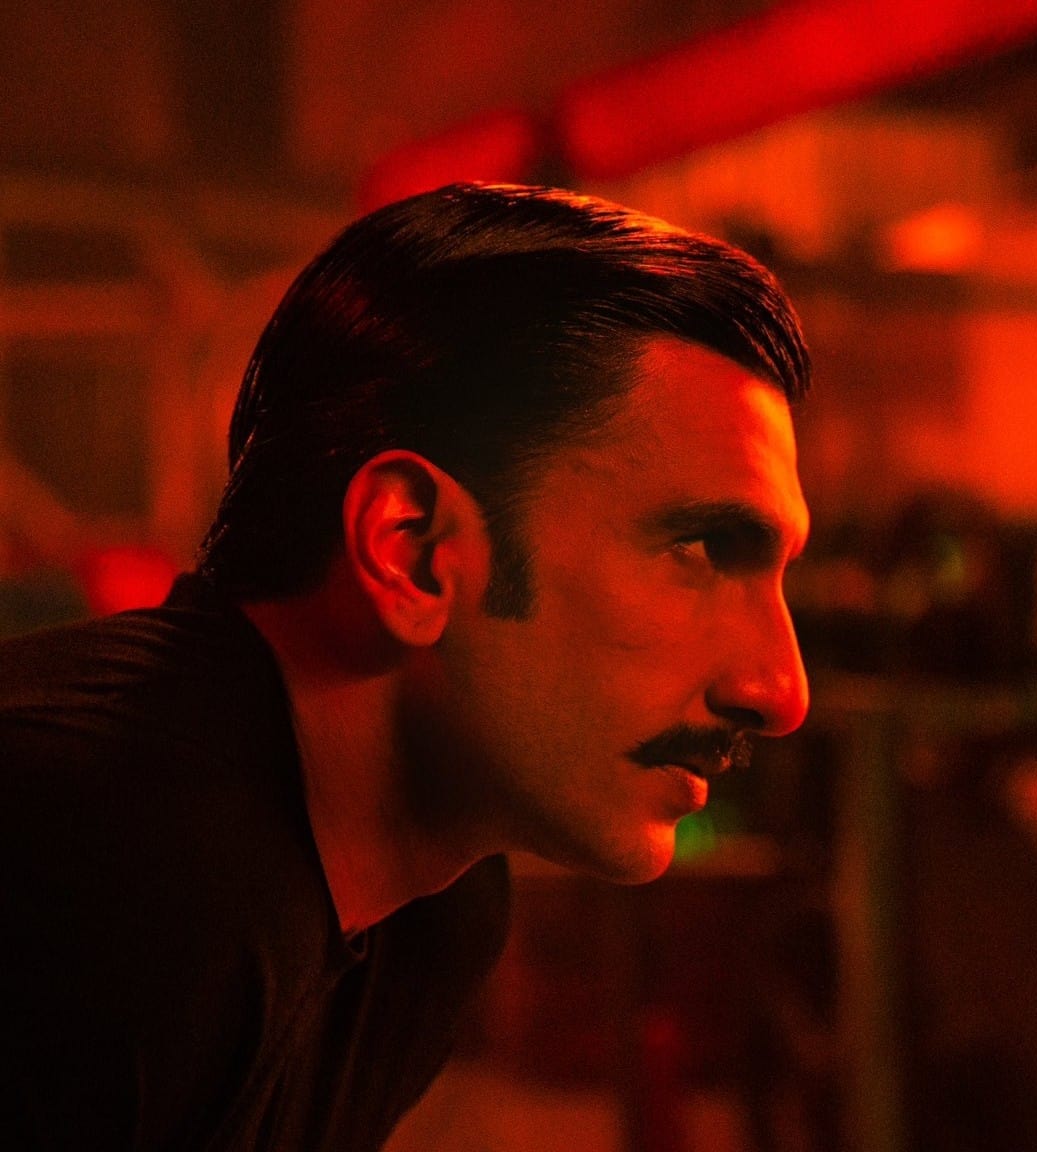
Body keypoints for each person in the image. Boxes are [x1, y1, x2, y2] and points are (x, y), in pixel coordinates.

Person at [0, 183, 812, 1151]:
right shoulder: (95, 860)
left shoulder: (432, 913)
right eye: (701, 550)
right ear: (413, 548)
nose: (781, 692)